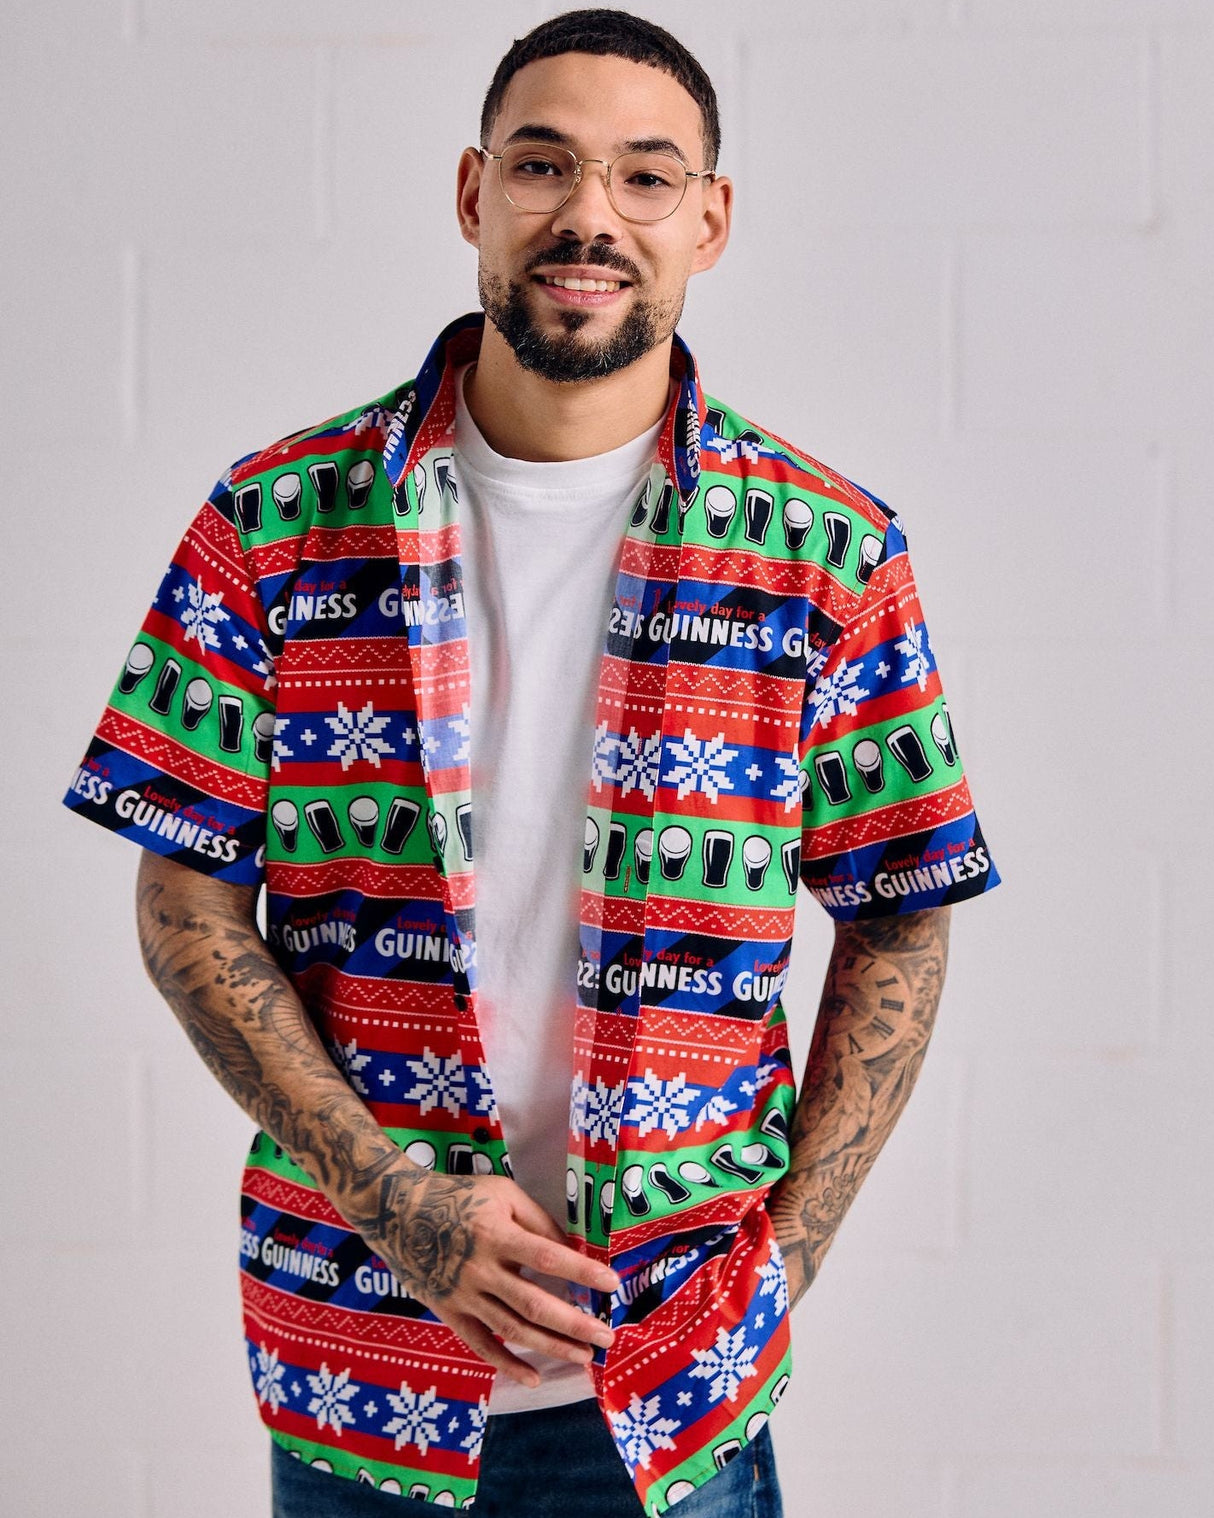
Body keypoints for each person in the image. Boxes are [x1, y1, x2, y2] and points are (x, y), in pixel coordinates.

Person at [63, 9, 1000, 1516]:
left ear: (711, 219)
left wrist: (784, 1263)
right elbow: (183, 897)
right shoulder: (274, 522)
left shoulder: (827, 554)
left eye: (644, 176)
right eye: (542, 165)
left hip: (676, 1383)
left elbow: (901, 911)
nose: (587, 214)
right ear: (469, 195)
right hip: (358, 1362)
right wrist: (399, 1212)